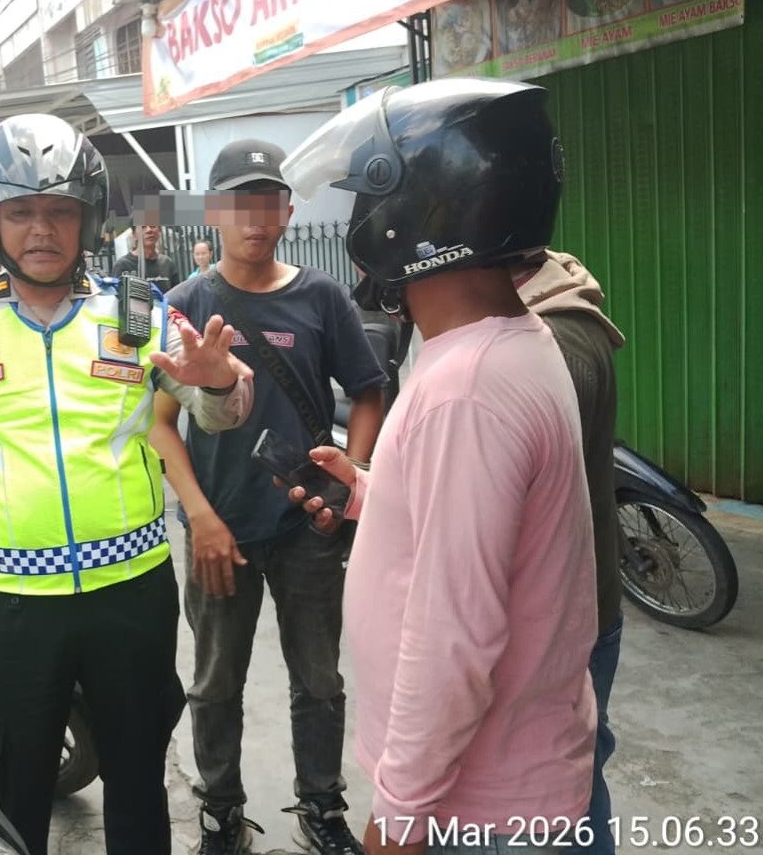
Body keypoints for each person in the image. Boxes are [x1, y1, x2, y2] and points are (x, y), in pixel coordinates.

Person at [0, 113, 254, 855]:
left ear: (87, 219)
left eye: (60, 211)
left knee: (137, 771)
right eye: (20, 212)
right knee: (8, 783)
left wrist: (221, 382)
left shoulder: (138, 314)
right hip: (10, 604)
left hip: (131, 595)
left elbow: (216, 416)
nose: (42, 230)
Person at [280, 79, 597, 855]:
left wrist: (398, 814)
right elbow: (482, 529)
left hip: (475, 805)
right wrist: (375, 497)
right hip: (501, 776)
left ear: (413, 213)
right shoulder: (507, 341)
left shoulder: (466, 389)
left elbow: (453, 636)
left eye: (365, 198)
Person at [151, 138, 386, 855]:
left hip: (307, 526)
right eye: (239, 203)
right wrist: (200, 517)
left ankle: (321, 807)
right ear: (213, 212)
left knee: (318, 679)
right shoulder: (185, 305)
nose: (255, 218)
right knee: (215, 683)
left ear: (287, 211)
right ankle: (221, 813)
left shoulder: (322, 297)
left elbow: (368, 391)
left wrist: (351, 475)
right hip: (219, 527)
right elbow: (159, 426)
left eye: (268, 202)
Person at [512, 250, 624, 855]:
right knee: (578, 772)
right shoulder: (557, 311)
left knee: (560, 792)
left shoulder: (553, 345)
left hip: (562, 622)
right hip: (578, 609)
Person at [113, 223, 179, 292]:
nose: (149, 230)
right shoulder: (123, 265)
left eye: (153, 226)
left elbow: (176, 295)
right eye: (143, 227)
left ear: (159, 231)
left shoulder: (167, 263)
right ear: (134, 234)